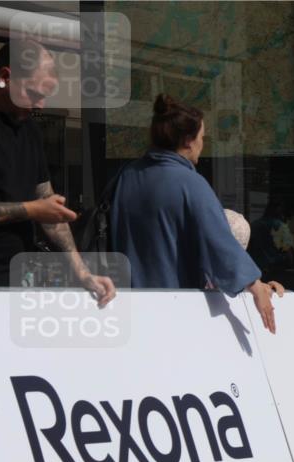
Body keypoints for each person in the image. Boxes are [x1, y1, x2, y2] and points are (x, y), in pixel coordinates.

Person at [111, 94, 282, 333]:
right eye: (202, 137)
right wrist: (254, 284)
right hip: (173, 308)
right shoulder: (189, 183)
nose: (203, 144)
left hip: (123, 304)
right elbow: (219, 241)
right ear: (189, 141)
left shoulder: (127, 175)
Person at [0, 40, 115, 305]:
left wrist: (82, 273)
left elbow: (49, 208)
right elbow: (38, 207)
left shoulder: (28, 129)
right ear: (5, 77)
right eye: (33, 93)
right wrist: (31, 210)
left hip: (17, 283)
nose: (41, 105)